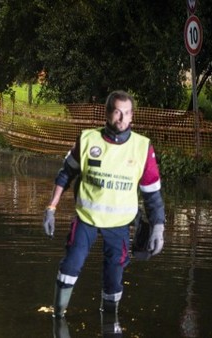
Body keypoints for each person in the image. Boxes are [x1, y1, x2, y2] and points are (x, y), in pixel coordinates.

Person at [43, 90, 165, 318]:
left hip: (119, 225)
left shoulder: (142, 147)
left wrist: (158, 227)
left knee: (113, 277)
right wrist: (51, 208)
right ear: (108, 113)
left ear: (132, 117)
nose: (121, 119)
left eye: (126, 114)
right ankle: (58, 317)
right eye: (117, 112)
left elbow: (152, 194)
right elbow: (65, 174)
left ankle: (110, 319)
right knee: (71, 265)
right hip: (86, 219)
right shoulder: (88, 139)